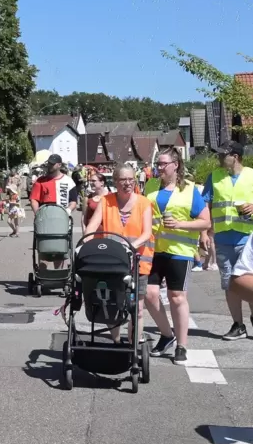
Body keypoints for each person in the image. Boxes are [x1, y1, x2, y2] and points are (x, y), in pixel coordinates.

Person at [143, 147, 210, 364]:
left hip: (180, 252)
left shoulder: (190, 190)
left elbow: (206, 221)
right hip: (154, 250)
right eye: (158, 164)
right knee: (150, 294)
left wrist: (180, 224)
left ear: (175, 165)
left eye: (163, 164)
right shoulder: (151, 186)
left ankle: (181, 345)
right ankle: (167, 335)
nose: (159, 168)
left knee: (177, 297)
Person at [85, 164, 154, 344]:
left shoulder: (144, 203)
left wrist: (130, 246)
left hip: (138, 263)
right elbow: (91, 227)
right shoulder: (106, 202)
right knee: (112, 303)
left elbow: (147, 233)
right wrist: (86, 243)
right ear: (115, 181)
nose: (128, 183)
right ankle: (116, 342)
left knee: (137, 309)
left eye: (131, 179)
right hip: (112, 263)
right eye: (123, 180)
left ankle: (134, 346)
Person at [202, 141, 253, 340]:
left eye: (224, 155)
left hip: (248, 238)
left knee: (247, 280)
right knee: (229, 282)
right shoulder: (214, 177)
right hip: (223, 238)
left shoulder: (251, 175)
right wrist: (204, 233)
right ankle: (238, 325)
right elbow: (204, 206)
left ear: (236, 156)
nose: (220, 158)